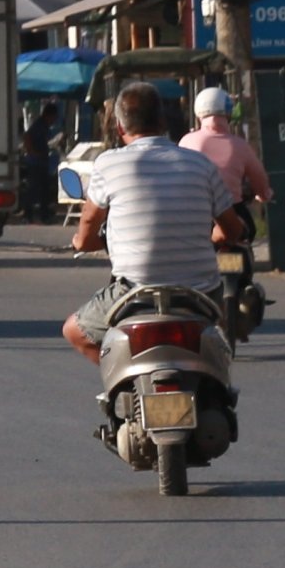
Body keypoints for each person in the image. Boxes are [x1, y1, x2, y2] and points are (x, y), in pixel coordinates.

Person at [62, 81, 231, 363]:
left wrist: (82, 241)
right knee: (218, 343)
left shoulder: (109, 163)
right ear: (163, 122)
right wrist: (214, 238)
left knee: (74, 330)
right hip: (202, 291)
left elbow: (90, 221)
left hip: (134, 290)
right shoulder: (200, 164)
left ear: (119, 127)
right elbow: (231, 228)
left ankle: (125, 380)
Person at [181, 86, 273, 217]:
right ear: (229, 112)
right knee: (248, 231)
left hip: (196, 212)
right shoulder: (241, 146)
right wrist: (264, 195)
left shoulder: (186, 141)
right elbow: (260, 179)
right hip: (231, 211)